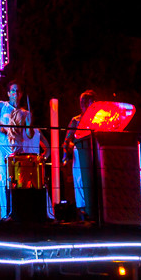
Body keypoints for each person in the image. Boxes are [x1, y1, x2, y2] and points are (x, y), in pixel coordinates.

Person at [0, 78, 30, 220]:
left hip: (15, 148)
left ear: (21, 94)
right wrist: (0, 126)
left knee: (16, 180)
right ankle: (4, 214)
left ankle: (17, 213)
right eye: (13, 90)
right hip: (1, 147)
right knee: (3, 178)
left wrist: (30, 122)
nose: (15, 93)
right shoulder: (2, 105)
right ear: (8, 93)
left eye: (18, 91)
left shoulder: (24, 112)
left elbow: (29, 133)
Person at [64, 90, 96, 221]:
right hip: (79, 153)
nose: (84, 104)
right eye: (83, 102)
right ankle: (83, 210)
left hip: (95, 154)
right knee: (80, 180)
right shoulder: (76, 120)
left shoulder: (99, 119)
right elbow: (67, 140)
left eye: (88, 102)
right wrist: (66, 156)